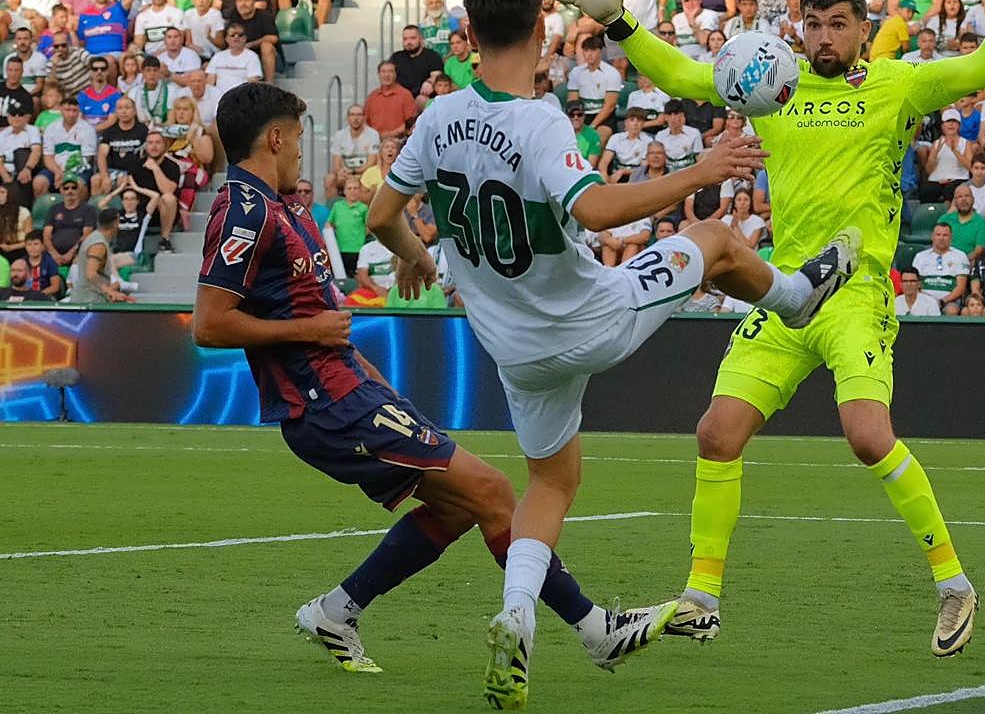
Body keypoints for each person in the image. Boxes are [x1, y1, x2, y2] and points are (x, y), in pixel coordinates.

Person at [555, 0, 985, 656]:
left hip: (856, 293)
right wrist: (618, 23)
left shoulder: (899, 85)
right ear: (798, 32)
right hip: (782, 291)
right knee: (715, 433)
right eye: (813, 23)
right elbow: (681, 76)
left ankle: (953, 582)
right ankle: (703, 595)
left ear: (865, 32)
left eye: (838, 24)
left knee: (868, 436)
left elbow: (984, 63)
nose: (824, 35)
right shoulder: (774, 84)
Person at [367, 0, 856, 709]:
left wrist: (414, 254)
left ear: (468, 36)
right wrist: (704, 167)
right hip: (595, 319)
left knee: (552, 483)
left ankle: (517, 612)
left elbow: (378, 217)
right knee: (717, 237)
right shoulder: (538, 122)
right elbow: (595, 212)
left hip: (514, 352)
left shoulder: (436, 119)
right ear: (542, 29)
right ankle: (795, 298)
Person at [194, 81, 674, 685]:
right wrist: (312, 329)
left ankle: (336, 612)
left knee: (459, 506)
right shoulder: (245, 208)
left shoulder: (282, 204)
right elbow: (210, 324)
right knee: (494, 492)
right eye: (297, 136)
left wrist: (365, 368)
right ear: (274, 136)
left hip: (346, 390)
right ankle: (594, 629)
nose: (300, 150)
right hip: (322, 403)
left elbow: (316, 322)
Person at [66, 206, 130, 302]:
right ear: (116, 223)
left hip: (90, 298)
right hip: (89, 300)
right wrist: (109, 291)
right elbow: (91, 273)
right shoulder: (98, 245)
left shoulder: (95, 238)